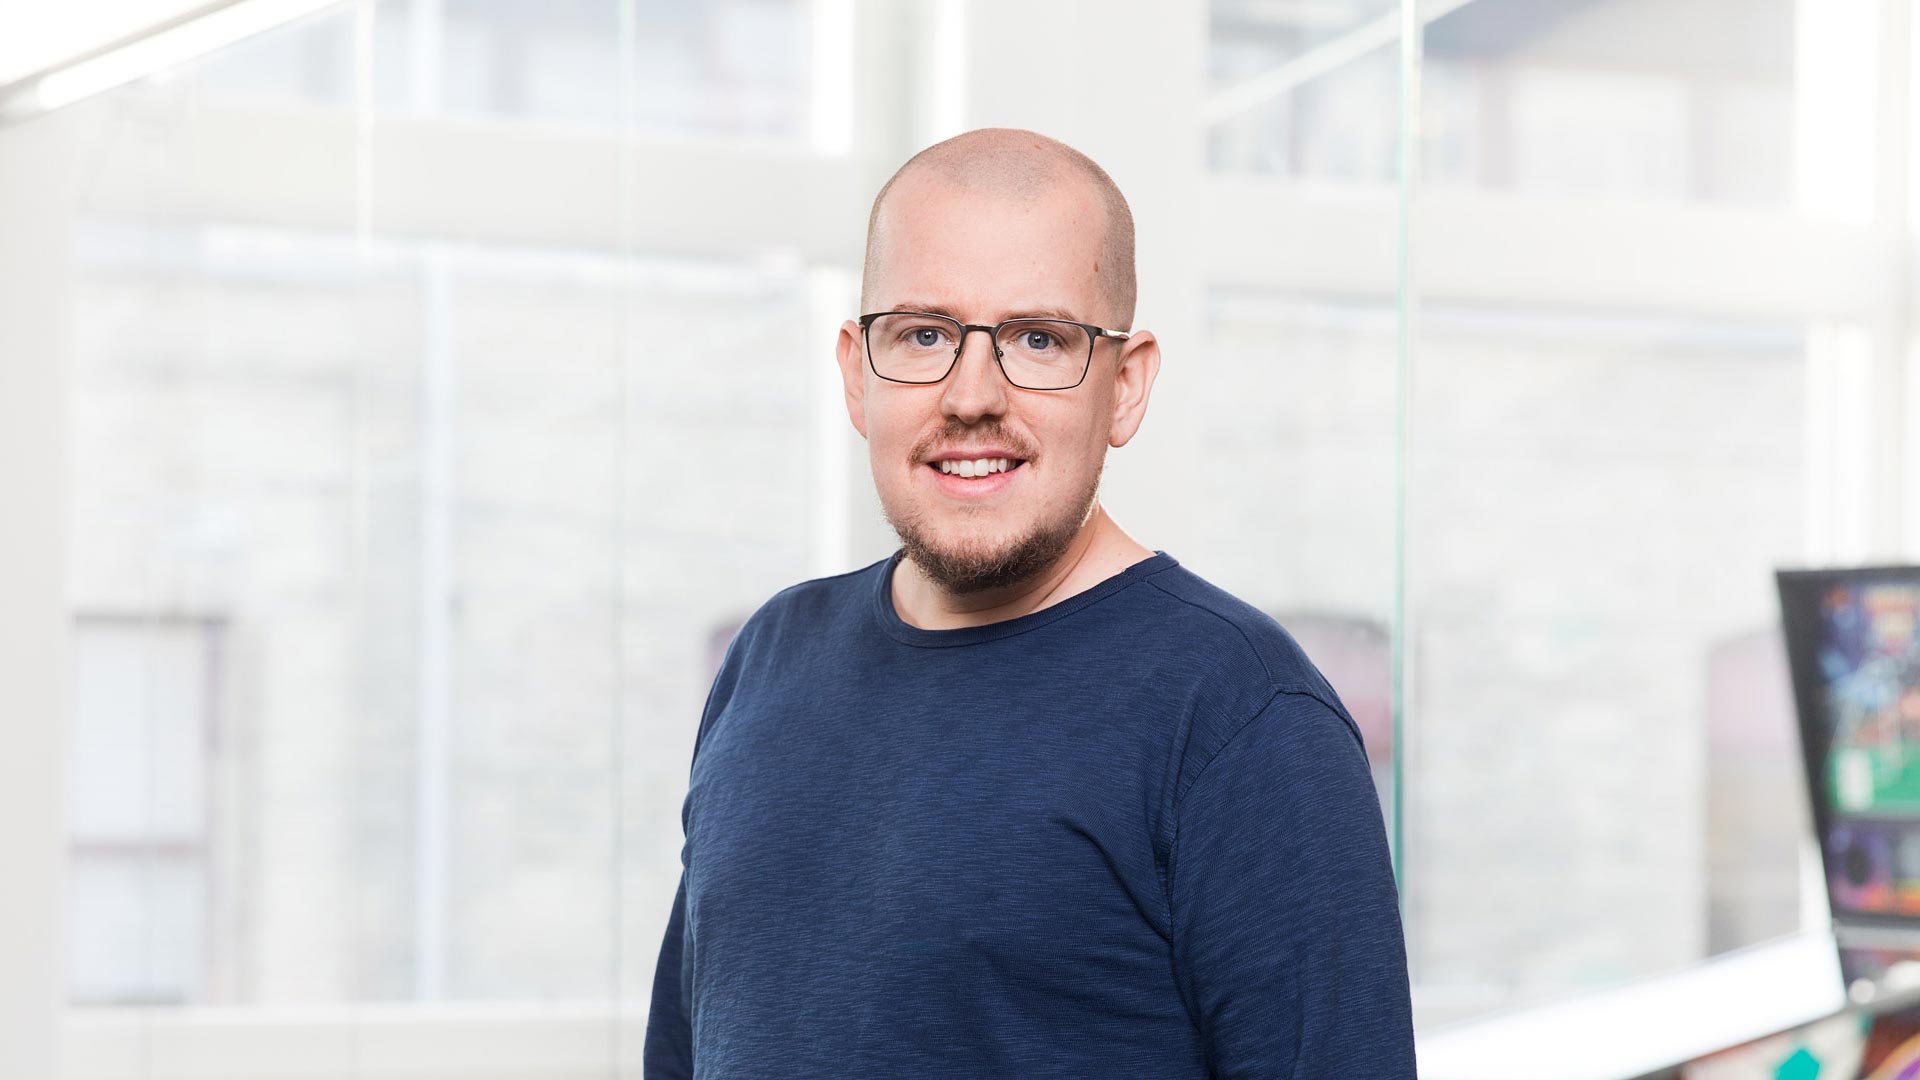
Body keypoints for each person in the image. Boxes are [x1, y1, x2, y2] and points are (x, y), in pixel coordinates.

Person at [643, 127, 1415, 1078]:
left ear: (1124, 387)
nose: (972, 395)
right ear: (855, 370)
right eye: (924, 334)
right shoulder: (770, 659)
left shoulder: (1241, 717)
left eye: (1038, 339)